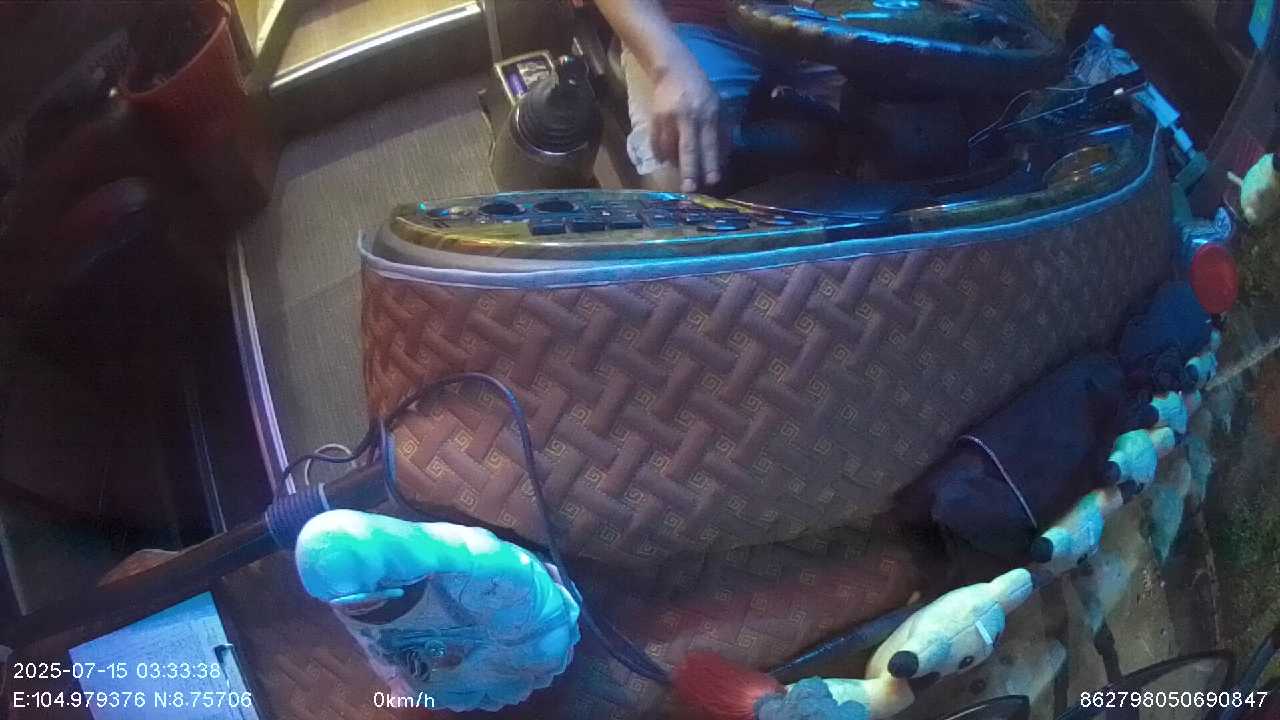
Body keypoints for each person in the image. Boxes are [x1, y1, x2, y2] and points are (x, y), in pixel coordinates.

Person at [594, 0, 841, 192]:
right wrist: (670, 71)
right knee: (686, 165)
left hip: (825, 25)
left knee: (860, 147)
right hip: (693, 24)